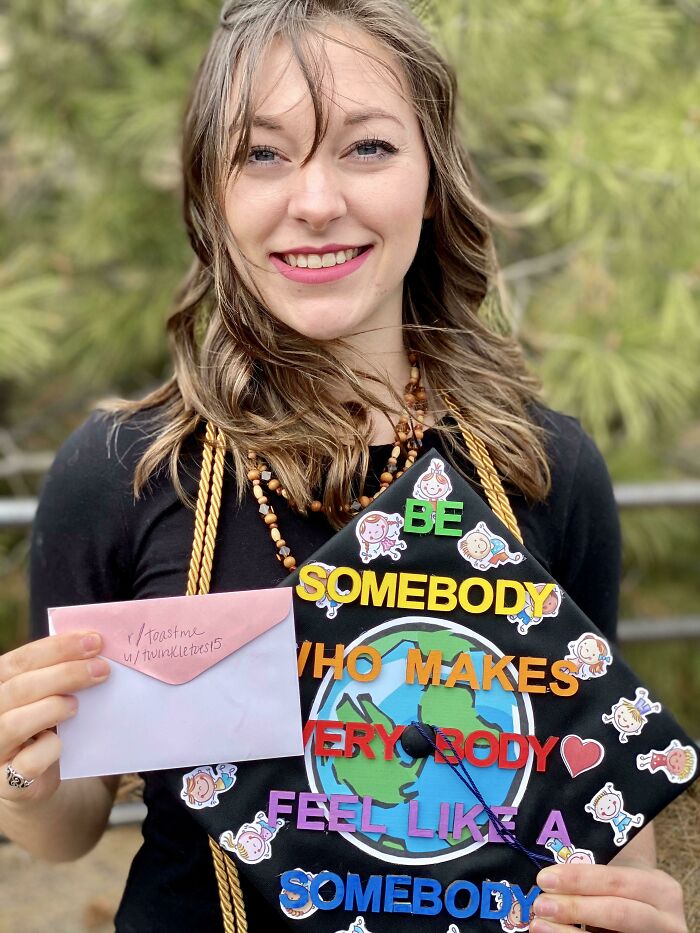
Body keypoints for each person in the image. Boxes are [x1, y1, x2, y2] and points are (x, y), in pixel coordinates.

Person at [0, 1, 688, 931]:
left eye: (366, 148)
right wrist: (22, 771)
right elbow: (68, 827)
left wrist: (622, 909)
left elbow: (587, 798)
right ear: (211, 192)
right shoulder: (120, 472)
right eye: (263, 154)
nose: (316, 201)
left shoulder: (546, 467)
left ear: (434, 179)